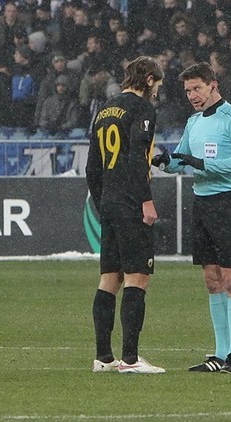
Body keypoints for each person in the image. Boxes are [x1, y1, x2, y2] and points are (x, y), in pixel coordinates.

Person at [152, 62, 231, 374]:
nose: (192, 95)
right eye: (187, 91)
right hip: (202, 202)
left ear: (213, 86)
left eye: (197, 88)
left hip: (230, 202)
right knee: (212, 280)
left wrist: (204, 164)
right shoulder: (193, 122)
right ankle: (219, 354)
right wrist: (165, 161)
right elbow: (182, 159)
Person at [85, 55, 166, 374]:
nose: (157, 92)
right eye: (157, 85)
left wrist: (103, 202)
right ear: (149, 79)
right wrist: (145, 200)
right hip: (131, 202)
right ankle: (130, 360)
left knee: (110, 278)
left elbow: (92, 166)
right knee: (137, 277)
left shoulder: (104, 110)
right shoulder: (142, 109)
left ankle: (103, 358)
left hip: (108, 202)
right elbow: (136, 158)